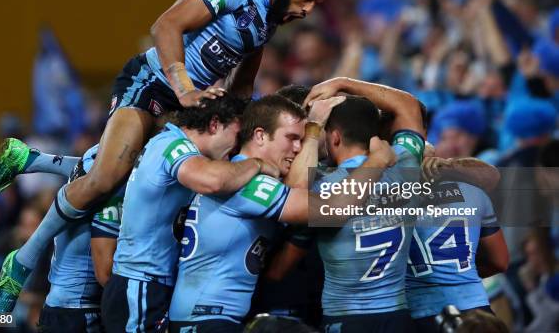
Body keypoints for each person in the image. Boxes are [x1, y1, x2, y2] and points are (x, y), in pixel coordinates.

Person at [0, 0, 332, 312]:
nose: (308, 10)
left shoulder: (269, 18)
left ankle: (31, 159)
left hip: (189, 105)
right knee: (107, 178)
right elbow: (166, 25)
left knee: (140, 171)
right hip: (152, 84)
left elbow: (243, 82)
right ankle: (22, 262)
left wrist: (246, 124)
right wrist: (183, 88)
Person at [168, 95, 396, 332]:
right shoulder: (249, 186)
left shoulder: (237, 173)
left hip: (206, 317)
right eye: (291, 138)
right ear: (260, 135)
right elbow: (333, 210)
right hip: (207, 320)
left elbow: (297, 186)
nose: (297, 148)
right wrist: (378, 160)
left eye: (301, 140)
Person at [100, 94, 281, 332]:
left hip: (150, 286)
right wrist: (256, 163)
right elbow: (213, 181)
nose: (237, 145)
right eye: (236, 135)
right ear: (214, 124)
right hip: (141, 285)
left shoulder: (170, 144)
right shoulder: (173, 144)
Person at [269, 78, 426, 333]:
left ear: (335, 137)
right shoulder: (406, 164)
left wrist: (313, 127)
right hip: (398, 317)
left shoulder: (320, 187)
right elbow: (408, 106)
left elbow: (292, 192)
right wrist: (343, 83)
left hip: (346, 319)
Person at [406, 155, 509, 332]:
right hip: (474, 309)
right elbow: (500, 261)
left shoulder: (382, 198)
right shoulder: (474, 192)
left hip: (416, 314)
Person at [38, 145, 124, 333]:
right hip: (78, 312)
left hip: (56, 307)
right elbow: (105, 274)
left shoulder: (84, 170)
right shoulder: (107, 194)